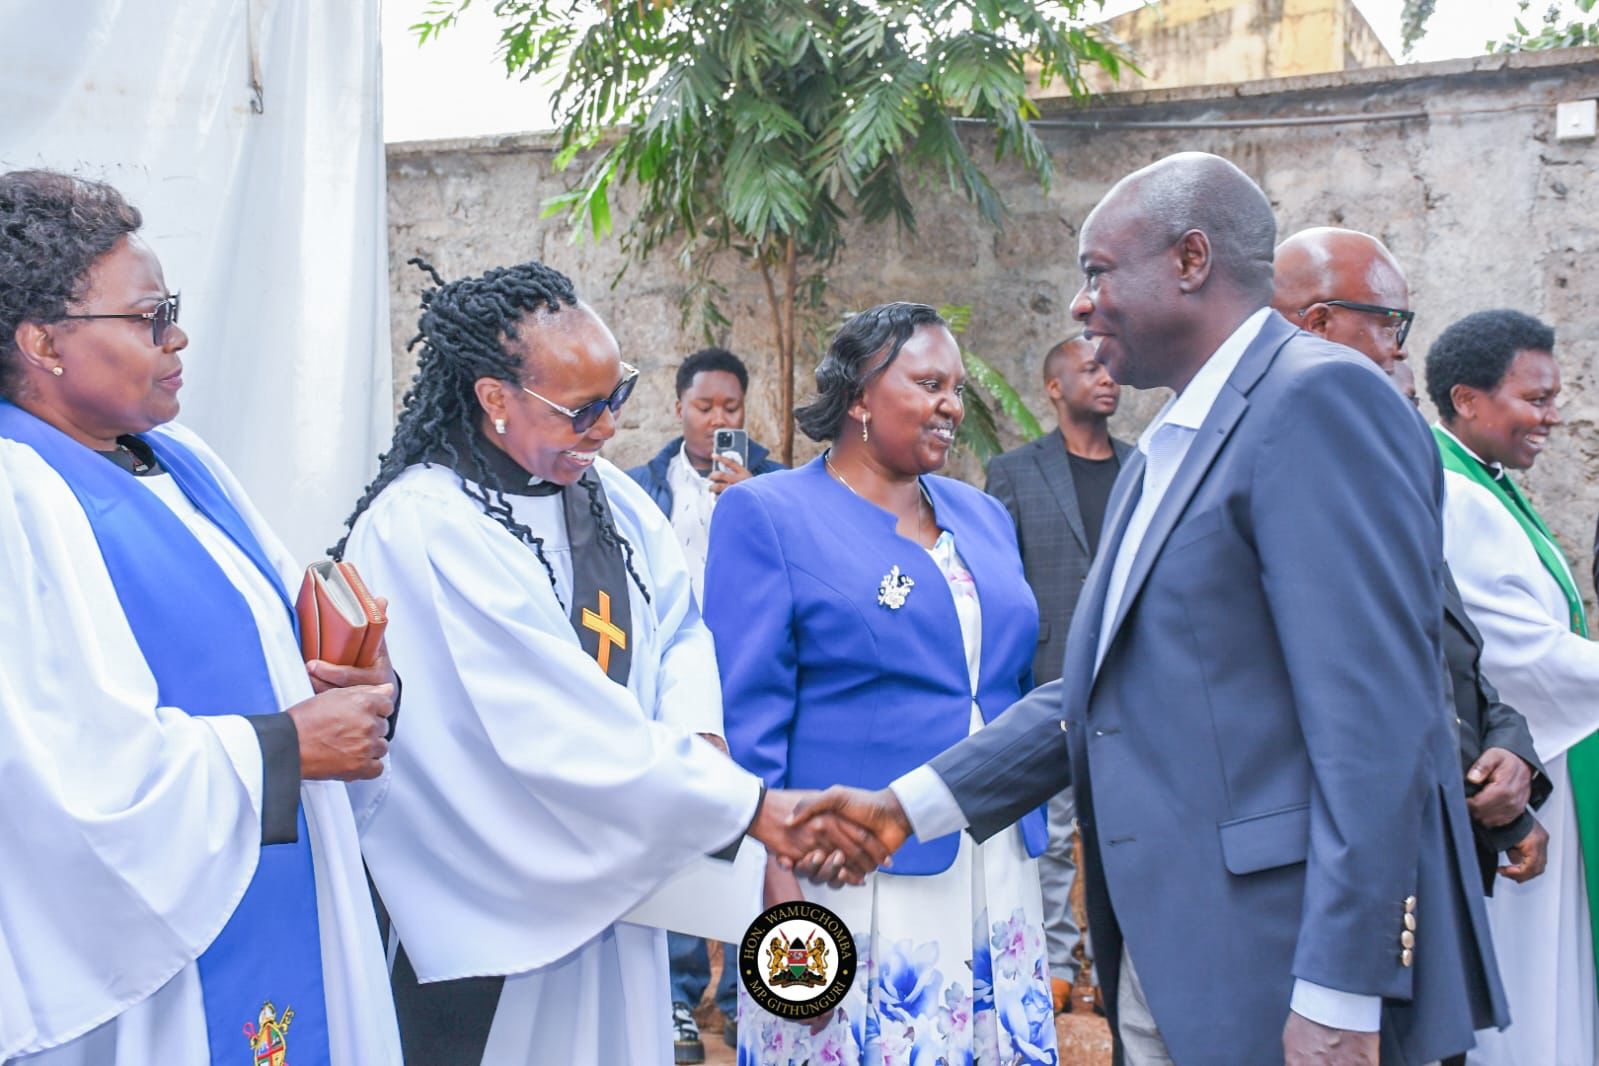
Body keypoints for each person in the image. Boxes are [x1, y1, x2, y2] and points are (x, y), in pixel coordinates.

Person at [792, 154, 1505, 1066]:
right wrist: (906, 807)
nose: (1080, 303)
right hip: (1175, 953)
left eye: (1096, 272)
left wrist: (1339, 989)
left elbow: (1377, 720)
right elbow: (1097, 694)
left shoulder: (1316, 397)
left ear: (1190, 260)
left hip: (1282, 967)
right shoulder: (1164, 450)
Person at [333, 258, 885, 1066]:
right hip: (494, 902)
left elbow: (680, 628)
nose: (607, 428)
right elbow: (548, 719)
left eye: (617, 395)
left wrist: (698, 739)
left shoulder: (607, 494)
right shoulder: (424, 524)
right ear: (494, 398)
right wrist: (743, 806)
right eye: (581, 410)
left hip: (621, 874)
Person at [0, 169, 401, 1065]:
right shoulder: (16, 496)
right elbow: (55, 781)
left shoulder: (180, 460)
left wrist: (356, 680)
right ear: (43, 342)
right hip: (152, 979)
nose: (176, 336)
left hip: (277, 882)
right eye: (149, 317)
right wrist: (286, 749)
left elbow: (276, 647)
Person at [704, 303, 1055, 1065]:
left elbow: (1012, 681)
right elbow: (747, 714)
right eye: (929, 384)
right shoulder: (768, 513)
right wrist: (776, 879)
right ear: (860, 395)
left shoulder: (983, 516)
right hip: (853, 870)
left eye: (956, 389)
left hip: (995, 855)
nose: (951, 405)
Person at [1272, 228, 1551, 906]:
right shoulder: (1286, 473)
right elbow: (1376, 676)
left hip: (1443, 826)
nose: (1400, 347)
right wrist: (1505, 812)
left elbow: (1453, 649)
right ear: (1319, 323)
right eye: (1389, 322)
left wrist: (1514, 750)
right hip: (1362, 850)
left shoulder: (1393, 475)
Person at [1425, 309, 1599, 1065]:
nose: (1552, 416)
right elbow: (1515, 651)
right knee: (1528, 989)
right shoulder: (1453, 492)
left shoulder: (1486, 483)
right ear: (1467, 399)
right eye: (1536, 399)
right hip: (1512, 771)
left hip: (1544, 750)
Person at [626, 346, 783, 1062]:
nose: (717, 419)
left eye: (730, 407)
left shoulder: (776, 485)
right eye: (703, 406)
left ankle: (753, 995)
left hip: (752, 673)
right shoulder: (639, 487)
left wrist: (755, 504)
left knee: (755, 830)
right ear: (678, 408)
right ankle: (677, 996)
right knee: (683, 829)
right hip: (675, 680)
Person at [985, 334, 1129, 1015]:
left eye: (1109, 368)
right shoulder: (1014, 472)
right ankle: (1056, 959)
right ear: (1053, 387)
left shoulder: (1141, 468)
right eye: (1090, 368)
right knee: (1051, 835)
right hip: (1048, 678)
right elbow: (1000, 582)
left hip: (1128, 678)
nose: (1107, 378)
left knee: (1121, 828)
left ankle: (1114, 959)